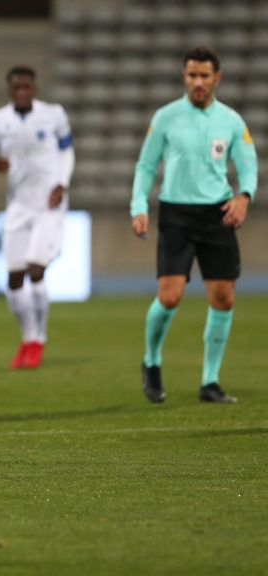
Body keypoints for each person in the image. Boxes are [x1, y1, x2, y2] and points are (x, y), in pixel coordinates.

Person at [131, 46, 257, 404]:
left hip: (217, 214)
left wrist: (243, 197)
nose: (197, 82)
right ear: (184, 77)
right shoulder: (166, 117)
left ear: (217, 78)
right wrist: (138, 206)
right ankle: (152, 361)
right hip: (177, 214)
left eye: (204, 75)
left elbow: (247, 164)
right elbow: (145, 166)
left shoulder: (231, 121)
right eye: (191, 75)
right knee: (169, 297)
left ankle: (209, 381)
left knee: (223, 298)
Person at [0, 65, 75, 370]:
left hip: (49, 203)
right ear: (9, 90)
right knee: (14, 276)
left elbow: (67, 152)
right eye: (16, 87)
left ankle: (38, 341)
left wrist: (62, 183)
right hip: (18, 206)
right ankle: (27, 338)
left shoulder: (54, 114)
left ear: (34, 88)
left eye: (26, 86)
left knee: (35, 268)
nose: (21, 92)